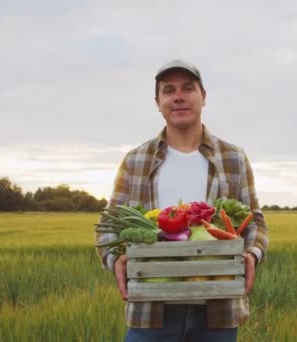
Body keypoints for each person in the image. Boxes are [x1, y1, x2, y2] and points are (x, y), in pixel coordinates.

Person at [95, 59, 269, 342]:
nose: (178, 96)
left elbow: (256, 223)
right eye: (168, 90)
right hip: (150, 312)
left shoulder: (233, 158)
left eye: (188, 88)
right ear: (157, 101)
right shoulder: (135, 160)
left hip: (218, 312)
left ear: (204, 96)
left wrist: (252, 254)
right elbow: (106, 226)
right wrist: (115, 259)